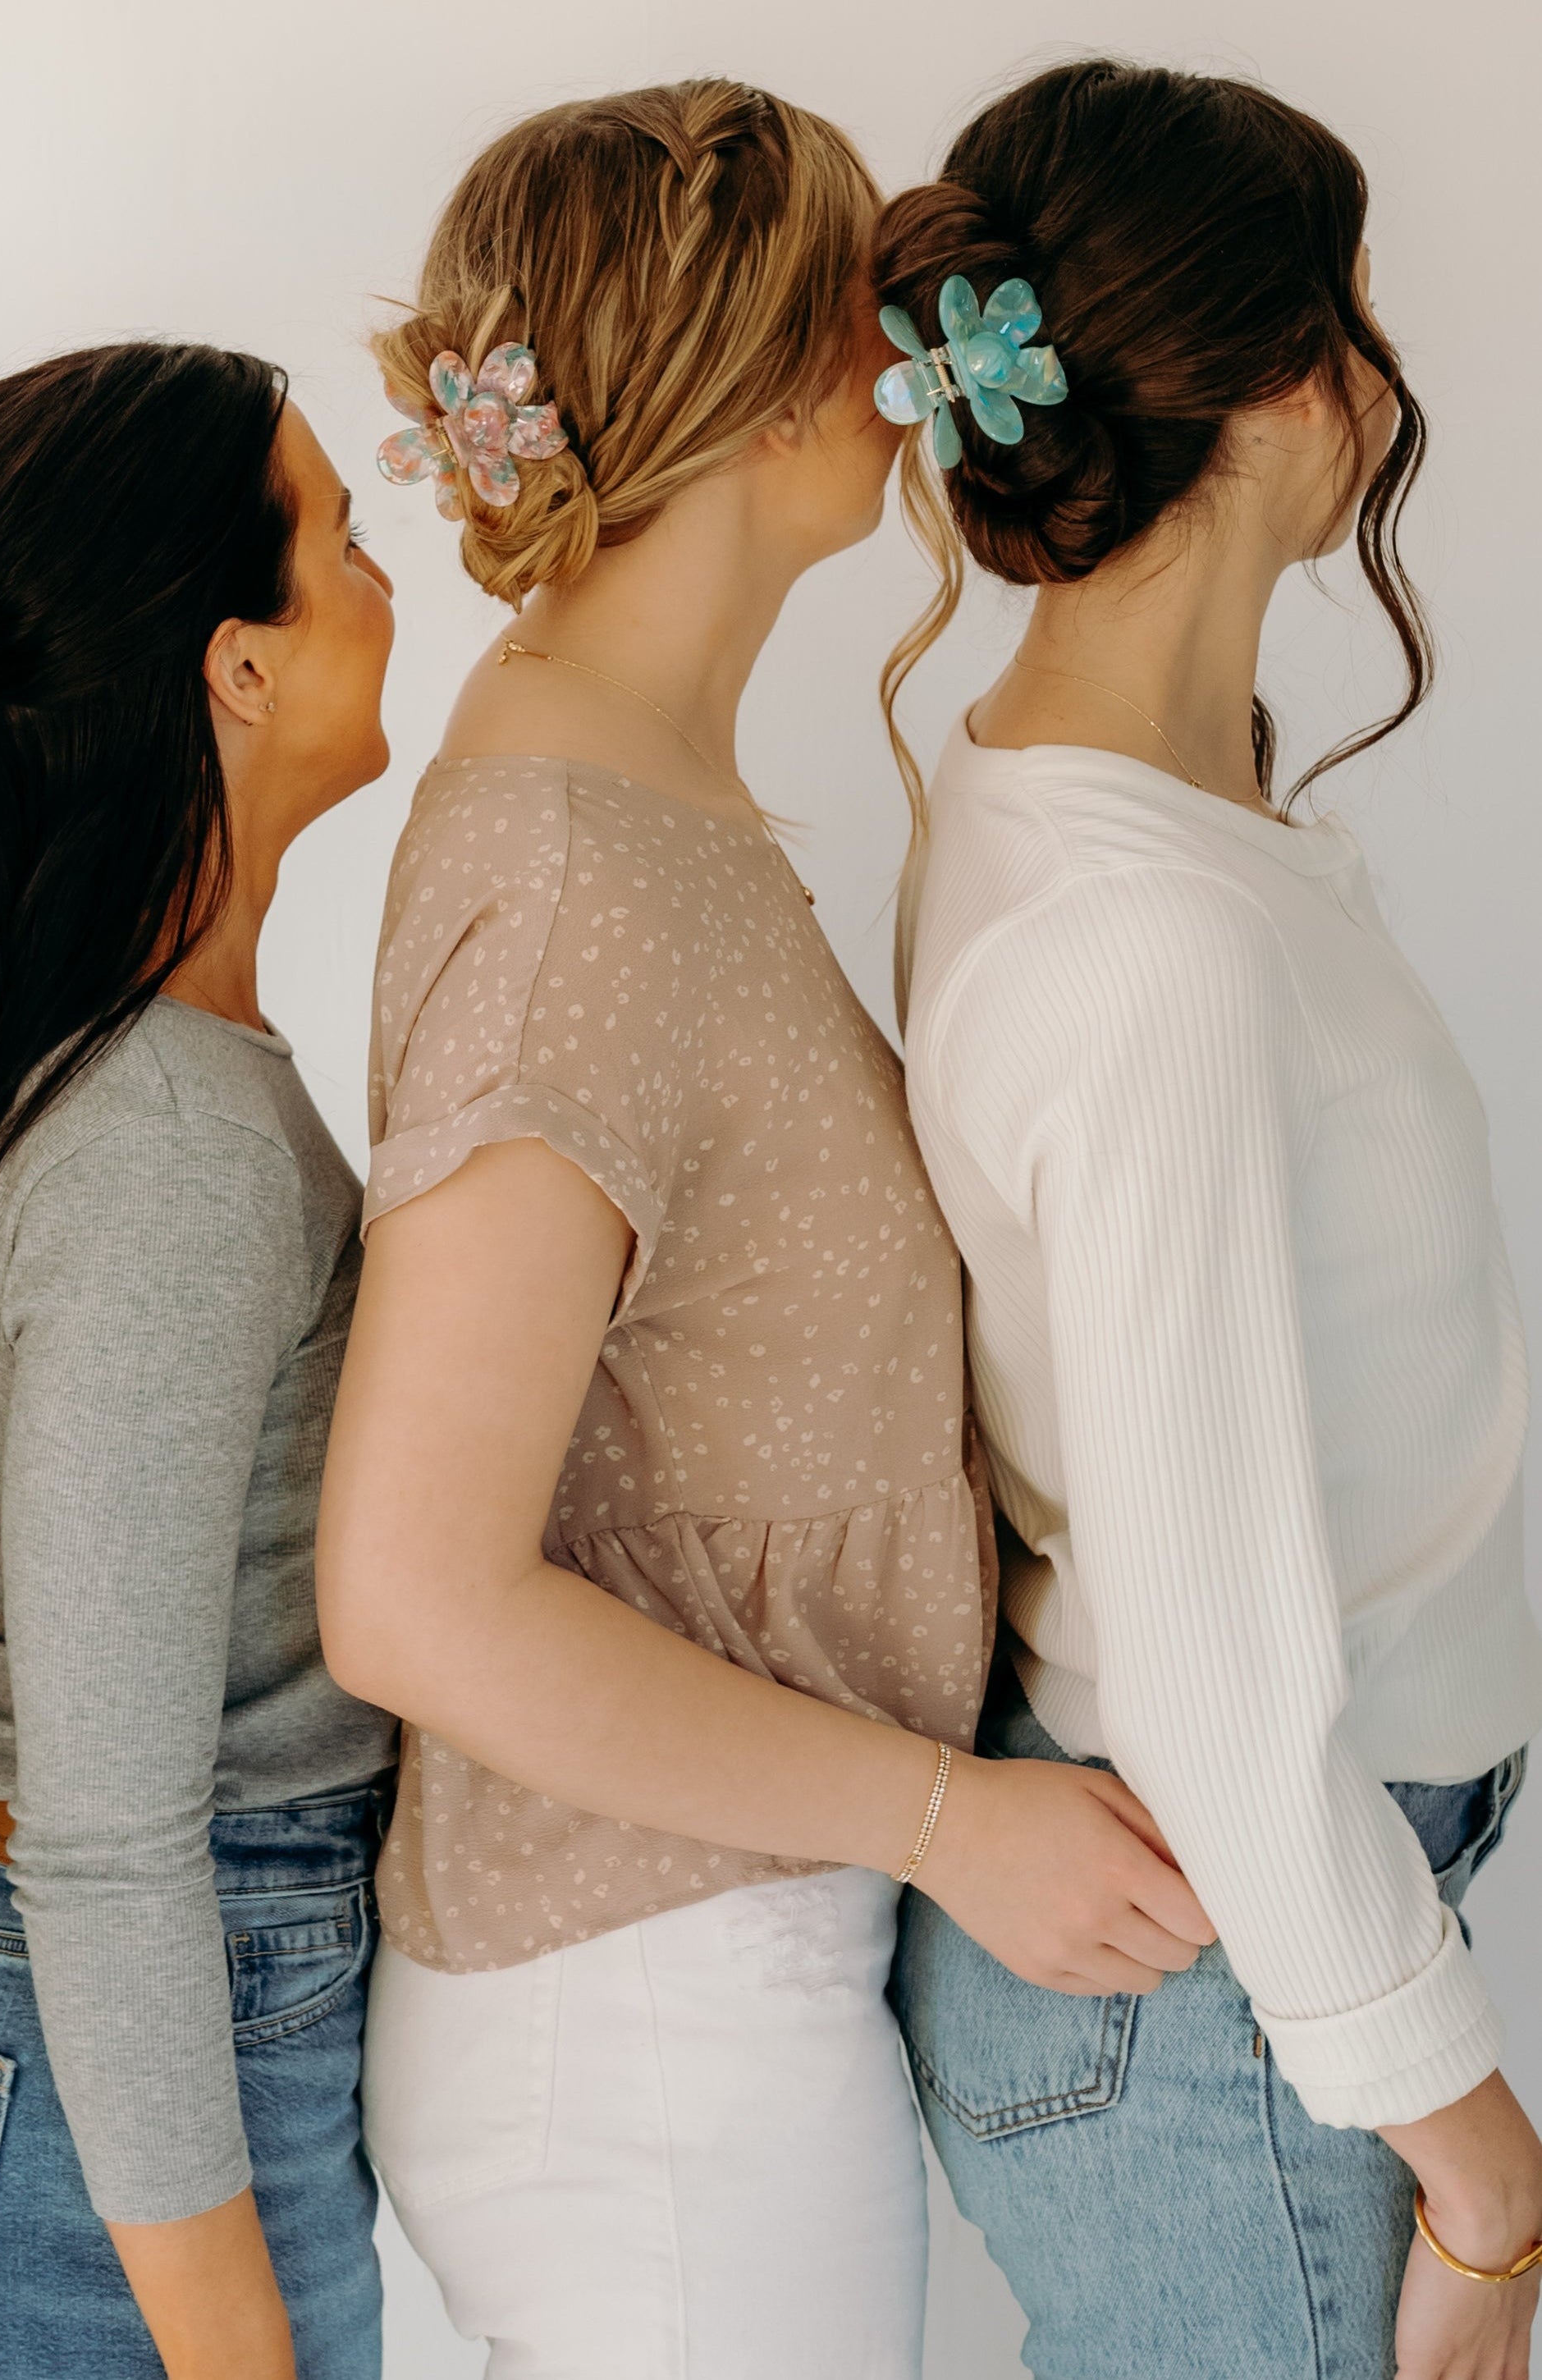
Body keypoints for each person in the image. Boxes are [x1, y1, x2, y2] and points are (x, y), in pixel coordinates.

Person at [313, 79, 1215, 2378]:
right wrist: (953, 1820)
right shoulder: (572, 877)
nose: (914, 350)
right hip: (648, 2008)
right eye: (863, 297)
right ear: (776, 372)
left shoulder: (642, 792)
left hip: (704, 1960)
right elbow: (411, 1590)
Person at [879, 60, 1542, 2380]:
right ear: (1270, 391)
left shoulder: (1112, 811)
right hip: (1231, 1994)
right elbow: (1211, 1676)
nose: (1383, 368)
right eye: (1350, 307)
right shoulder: (1144, 941)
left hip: (1254, 1954)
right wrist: (1485, 2169)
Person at [0, 342, 401, 2380]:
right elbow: (105, 1829)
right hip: (126, 2059)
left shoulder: (163, 1086)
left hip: (146, 2030)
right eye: (344, 543)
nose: (388, 585)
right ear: (236, 667)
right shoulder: (165, 1152)